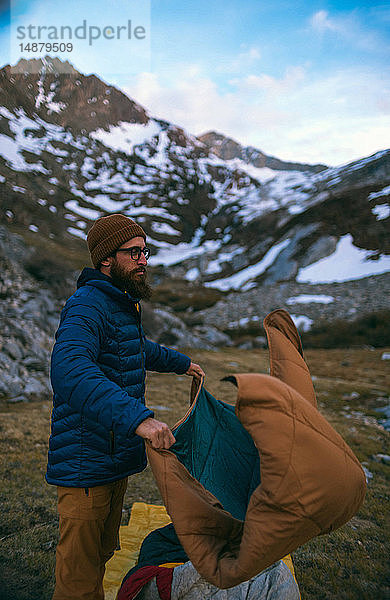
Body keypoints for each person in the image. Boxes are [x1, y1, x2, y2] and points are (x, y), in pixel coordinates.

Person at [46, 213, 205, 600]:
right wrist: (140, 420)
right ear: (106, 259)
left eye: (145, 251)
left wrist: (181, 363)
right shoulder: (87, 305)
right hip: (85, 460)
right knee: (78, 578)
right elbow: (69, 369)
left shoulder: (118, 303)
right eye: (133, 252)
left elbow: (133, 349)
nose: (143, 260)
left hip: (112, 456)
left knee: (100, 554)